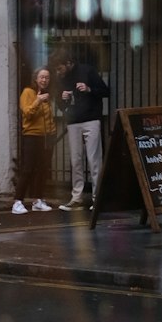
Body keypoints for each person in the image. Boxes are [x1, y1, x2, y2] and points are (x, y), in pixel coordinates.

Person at [55, 51, 109, 210]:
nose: (59, 72)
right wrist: (62, 98)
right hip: (73, 122)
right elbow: (59, 104)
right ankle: (76, 197)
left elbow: (106, 91)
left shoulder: (88, 71)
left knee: (94, 160)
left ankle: (97, 198)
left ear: (68, 63)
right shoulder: (61, 78)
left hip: (91, 119)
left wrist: (88, 89)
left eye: (60, 68)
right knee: (75, 160)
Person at [13, 65, 54, 214]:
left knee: (42, 170)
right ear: (35, 78)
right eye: (42, 77)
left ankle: (37, 200)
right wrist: (37, 101)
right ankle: (17, 202)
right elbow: (27, 113)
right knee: (28, 169)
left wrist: (52, 132)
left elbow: (48, 118)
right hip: (31, 135)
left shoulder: (45, 94)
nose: (44, 80)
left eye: (47, 77)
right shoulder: (28, 92)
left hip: (45, 137)